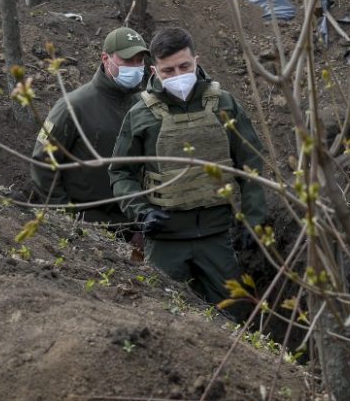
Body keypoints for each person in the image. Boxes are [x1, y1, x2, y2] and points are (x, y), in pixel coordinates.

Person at [108, 26, 266, 319]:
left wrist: (253, 220)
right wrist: (142, 213)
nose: (178, 75)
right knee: (162, 316)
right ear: (154, 70)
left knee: (239, 318)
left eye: (185, 66)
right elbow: (121, 173)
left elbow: (251, 163)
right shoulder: (141, 114)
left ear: (197, 60)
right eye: (168, 70)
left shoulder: (224, 104)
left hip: (218, 235)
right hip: (165, 237)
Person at [31, 27, 150, 250]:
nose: (135, 68)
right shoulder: (73, 106)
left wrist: (142, 223)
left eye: (139, 60)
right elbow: (42, 163)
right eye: (127, 60)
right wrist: (67, 218)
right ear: (106, 59)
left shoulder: (142, 106)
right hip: (88, 226)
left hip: (131, 228)